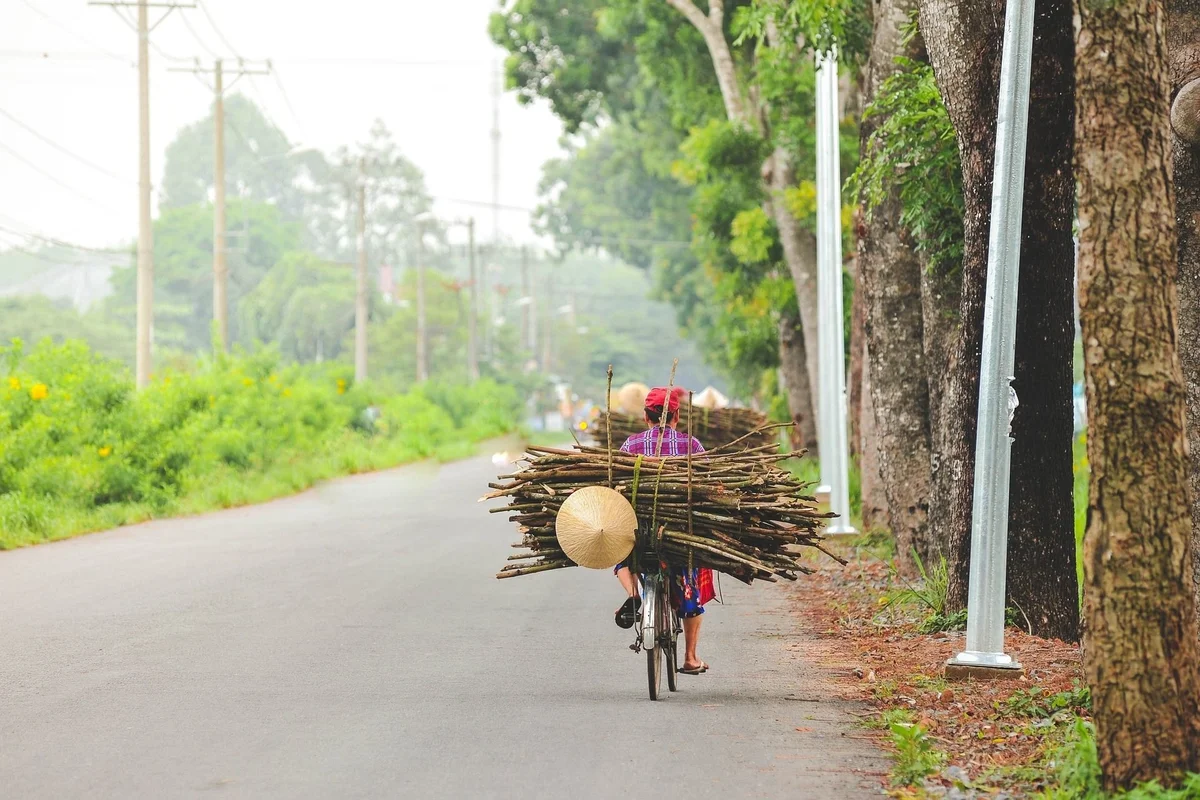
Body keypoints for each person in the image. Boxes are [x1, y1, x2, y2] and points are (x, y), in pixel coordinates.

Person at [612, 386, 714, 675]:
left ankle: (634, 594)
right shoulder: (691, 446)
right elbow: (707, 488)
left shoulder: (630, 446)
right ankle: (691, 658)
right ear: (676, 416)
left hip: (639, 532)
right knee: (689, 583)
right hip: (680, 533)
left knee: (621, 554)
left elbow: (615, 490)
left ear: (646, 417)